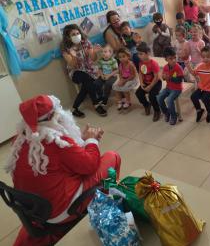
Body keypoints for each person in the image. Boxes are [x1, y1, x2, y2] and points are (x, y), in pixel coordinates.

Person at [6, 95, 121, 246]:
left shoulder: (20, 140)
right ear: (54, 117)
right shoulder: (56, 143)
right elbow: (89, 166)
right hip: (62, 211)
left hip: (36, 211)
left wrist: (81, 140)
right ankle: (104, 205)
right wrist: (92, 141)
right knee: (112, 157)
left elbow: (57, 159)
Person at [61, 24, 106, 118]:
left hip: (89, 69)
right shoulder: (66, 48)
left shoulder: (85, 42)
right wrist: (73, 55)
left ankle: (75, 108)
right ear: (68, 37)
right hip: (76, 72)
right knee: (87, 79)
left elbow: (93, 59)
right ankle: (96, 104)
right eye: (73, 34)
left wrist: (92, 52)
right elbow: (73, 65)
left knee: (86, 85)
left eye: (78, 33)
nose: (77, 35)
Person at [157, 47, 184, 125]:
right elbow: (164, 78)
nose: (174, 60)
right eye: (171, 58)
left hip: (177, 89)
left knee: (169, 100)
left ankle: (174, 116)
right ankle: (167, 112)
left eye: (175, 58)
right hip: (168, 88)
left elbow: (179, 80)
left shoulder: (178, 67)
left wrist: (170, 78)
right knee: (159, 98)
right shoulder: (165, 67)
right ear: (166, 59)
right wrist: (163, 77)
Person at [135, 43, 162, 121]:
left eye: (141, 54)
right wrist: (141, 83)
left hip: (156, 83)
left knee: (152, 96)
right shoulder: (141, 63)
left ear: (148, 53)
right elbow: (140, 73)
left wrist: (150, 87)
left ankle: (157, 111)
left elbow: (156, 77)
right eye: (138, 54)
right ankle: (147, 105)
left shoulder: (153, 63)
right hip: (146, 82)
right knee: (138, 93)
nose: (139, 56)